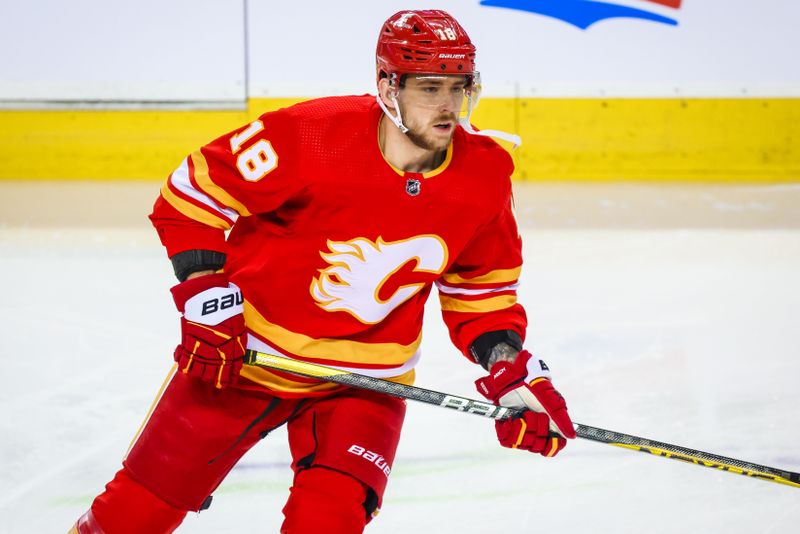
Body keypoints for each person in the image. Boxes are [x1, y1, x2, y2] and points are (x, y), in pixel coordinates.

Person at [71, 9, 575, 534]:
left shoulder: (485, 174)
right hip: (243, 360)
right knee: (130, 519)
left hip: (367, 384)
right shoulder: (310, 135)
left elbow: (481, 294)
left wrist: (508, 364)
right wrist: (206, 295)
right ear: (387, 85)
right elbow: (190, 198)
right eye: (429, 88)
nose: (448, 107)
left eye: (459, 87)